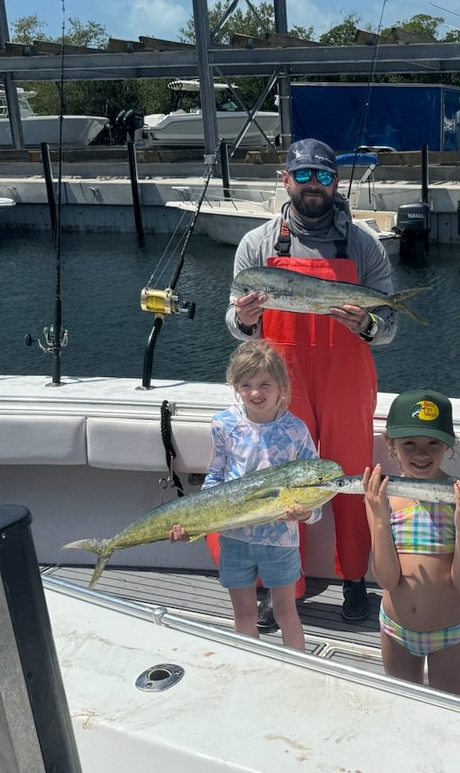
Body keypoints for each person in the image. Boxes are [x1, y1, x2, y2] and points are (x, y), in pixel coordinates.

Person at [226, 137, 396, 630]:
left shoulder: (364, 245)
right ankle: (282, 585)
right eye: (304, 176)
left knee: (349, 478)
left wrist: (365, 324)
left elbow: (388, 327)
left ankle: (355, 579)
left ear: (336, 181)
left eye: (323, 176)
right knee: (277, 478)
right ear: (286, 180)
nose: (314, 186)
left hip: (346, 377)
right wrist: (246, 318)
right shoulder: (256, 245)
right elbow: (234, 323)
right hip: (282, 380)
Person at [168, 342, 322, 651]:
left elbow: (315, 489)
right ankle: (249, 667)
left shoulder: (297, 430)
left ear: (282, 387)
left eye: (264, 384)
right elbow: (215, 477)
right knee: (244, 614)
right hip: (234, 538)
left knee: (285, 613)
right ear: (236, 387)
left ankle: (304, 670)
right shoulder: (224, 424)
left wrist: (307, 514)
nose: (255, 393)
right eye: (246, 385)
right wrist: (194, 524)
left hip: (280, 540)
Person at [362, 389, 460, 695]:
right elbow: (387, 579)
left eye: (433, 444)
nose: (421, 454)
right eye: (409, 444)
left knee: (450, 713)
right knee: (404, 710)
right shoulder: (381, 496)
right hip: (396, 631)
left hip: (449, 634)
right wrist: (378, 515)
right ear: (391, 445)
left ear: (448, 446)